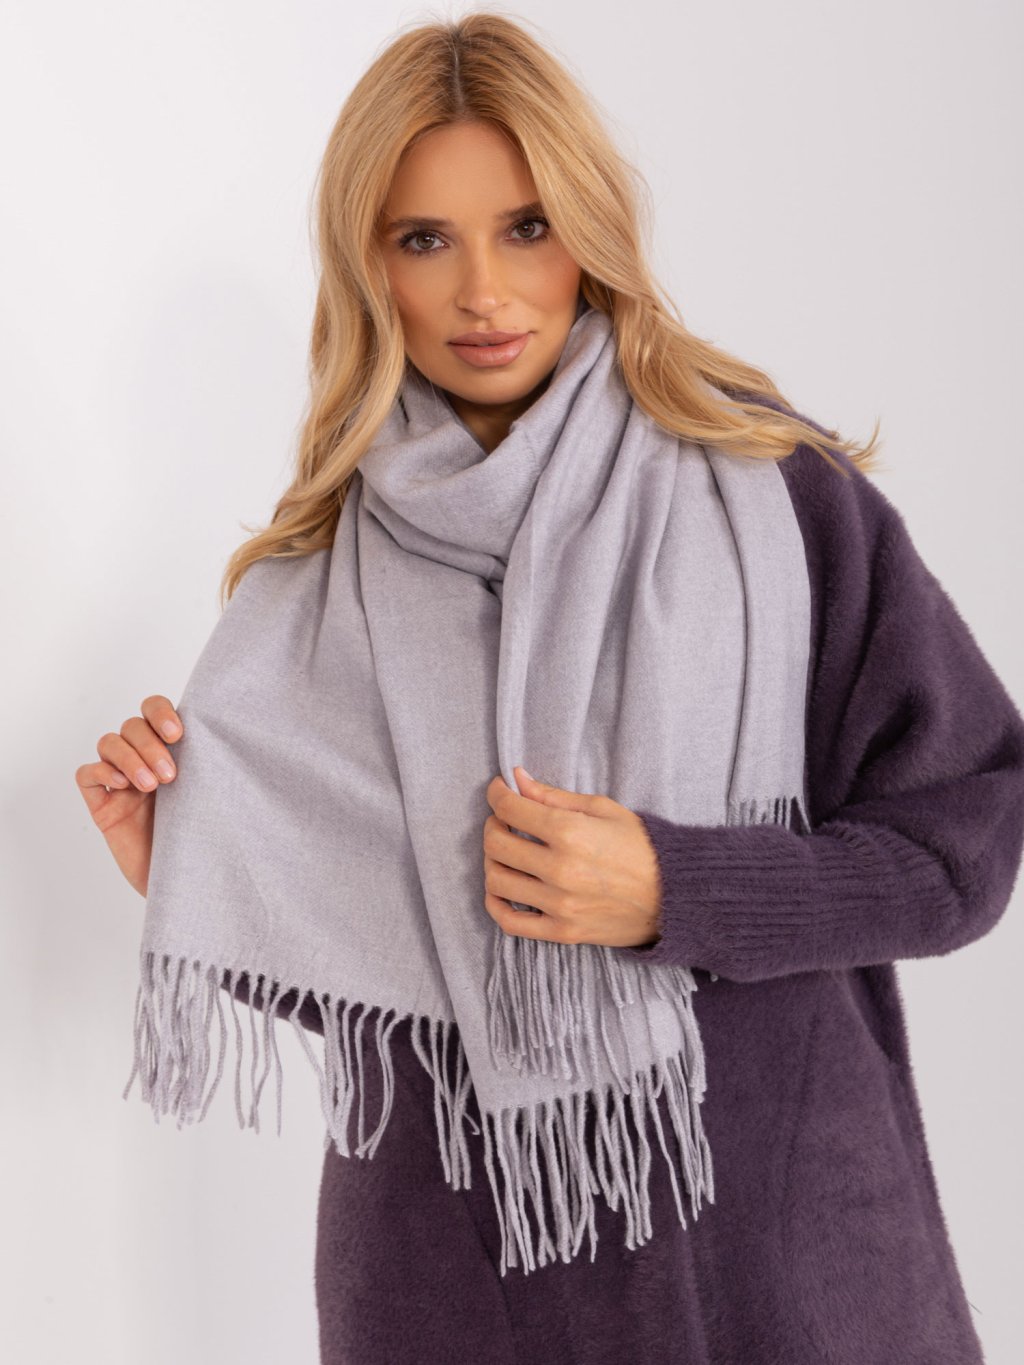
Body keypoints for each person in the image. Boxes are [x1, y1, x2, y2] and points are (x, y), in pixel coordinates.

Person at [75, 12, 1024, 1364]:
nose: (483, 291)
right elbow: (400, 999)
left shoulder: (776, 500)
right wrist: (198, 867)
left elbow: (964, 845)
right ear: (368, 265)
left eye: (525, 227)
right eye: (425, 239)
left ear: (589, 227)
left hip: (789, 1277)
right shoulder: (312, 590)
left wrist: (678, 888)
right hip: (459, 1297)